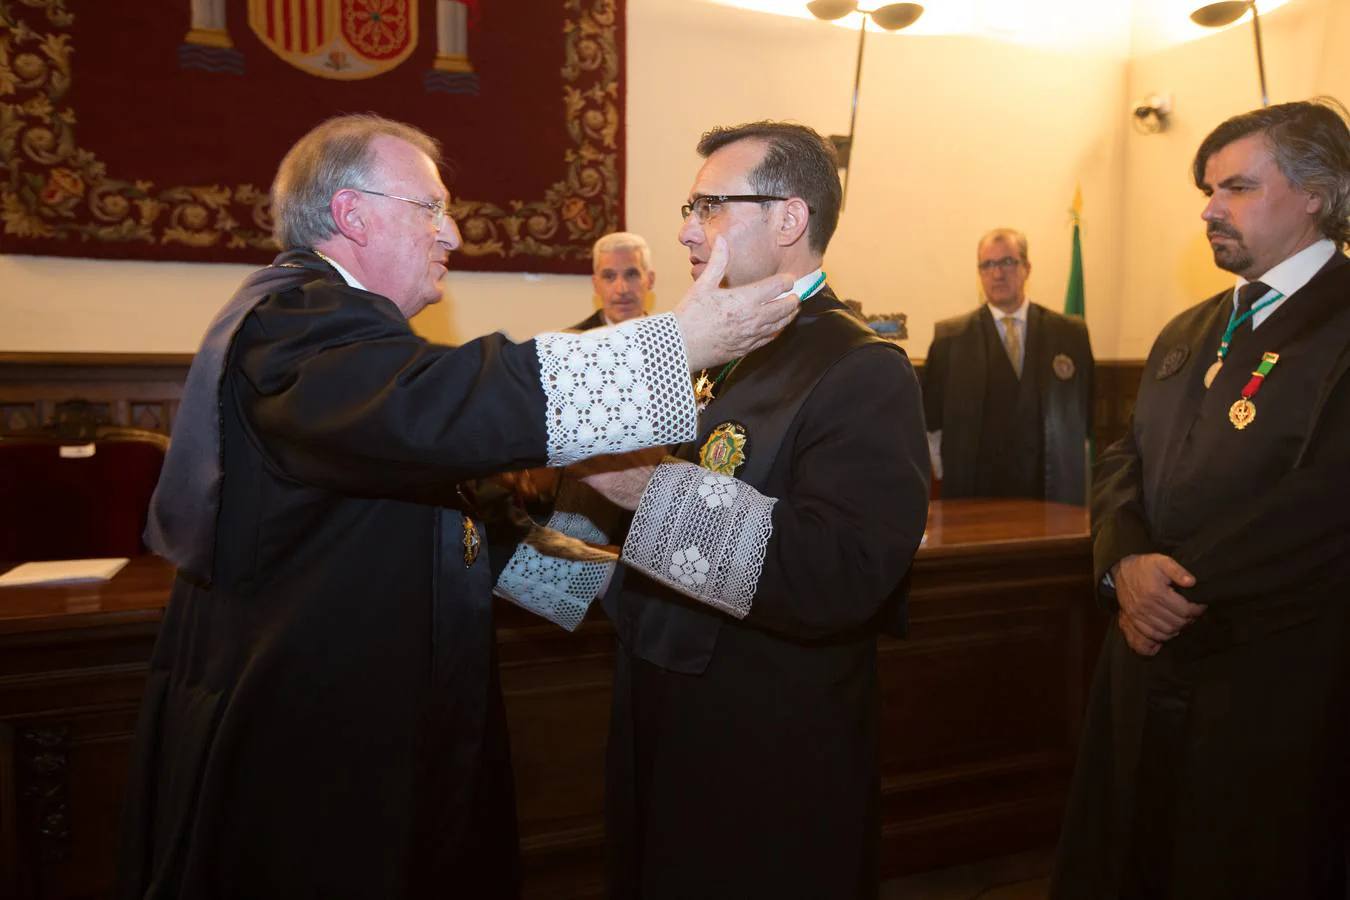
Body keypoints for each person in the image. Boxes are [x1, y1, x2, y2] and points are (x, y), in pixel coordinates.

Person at [115, 113, 800, 900]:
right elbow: (436, 411)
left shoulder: (362, 345)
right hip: (319, 749)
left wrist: (639, 594)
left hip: (392, 731)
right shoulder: (292, 326)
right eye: (431, 209)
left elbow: (478, 535)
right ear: (351, 213)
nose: (455, 235)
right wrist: (669, 345)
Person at [569, 121, 929, 900]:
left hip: (763, 741)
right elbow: (597, 503)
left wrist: (654, 491)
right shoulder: (710, 347)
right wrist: (530, 592)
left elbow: (840, 574)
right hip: (657, 709)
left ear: (790, 220)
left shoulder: (860, 367)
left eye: (709, 206)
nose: (684, 229)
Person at [1051, 98, 1350, 900]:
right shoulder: (1190, 326)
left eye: (1238, 188)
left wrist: (1173, 580)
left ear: (1317, 194)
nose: (1211, 210)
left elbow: (1327, 499)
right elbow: (1125, 458)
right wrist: (1124, 565)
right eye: (1209, 191)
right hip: (1147, 649)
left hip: (1270, 670)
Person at [922, 228, 1094, 504]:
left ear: (1027, 267)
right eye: (988, 265)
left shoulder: (1070, 335)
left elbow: (1085, 414)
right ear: (979, 274)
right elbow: (932, 423)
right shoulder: (950, 339)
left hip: (1050, 496)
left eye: (1007, 262)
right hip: (974, 497)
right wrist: (950, 474)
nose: (998, 274)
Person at [572, 231, 656, 329]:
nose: (622, 289)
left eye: (631, 275)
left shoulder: (671, 339)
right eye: (609, 276)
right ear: (596, 285)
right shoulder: (573, 342)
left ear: (650, 280)